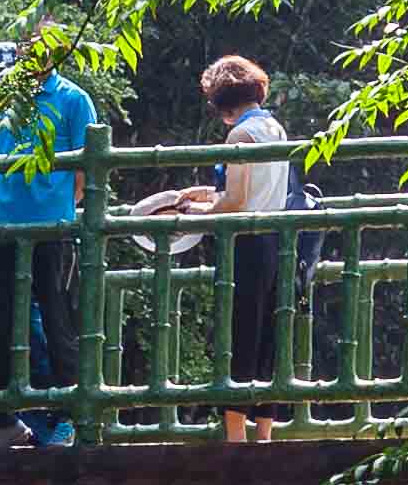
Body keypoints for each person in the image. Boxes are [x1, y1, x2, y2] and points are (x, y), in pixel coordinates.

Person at [126, 55, 299, 440]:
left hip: (243, 243)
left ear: (220, 101)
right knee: (266, 336)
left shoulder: (239, 136)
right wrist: (206, 194)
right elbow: (259, 190)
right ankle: (264, 434)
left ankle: (235, 437)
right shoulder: (274, 127)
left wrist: (194, 210)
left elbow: (235, 201)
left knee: (238, 335)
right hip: (274, 239)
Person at [0, 32, 98, 447]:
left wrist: (59, 207)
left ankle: (69, 416)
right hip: (2, 223)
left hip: (52, 228)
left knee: (59, 322)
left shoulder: (73, 99)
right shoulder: (2, 96)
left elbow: (85, 170)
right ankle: (2, 419)